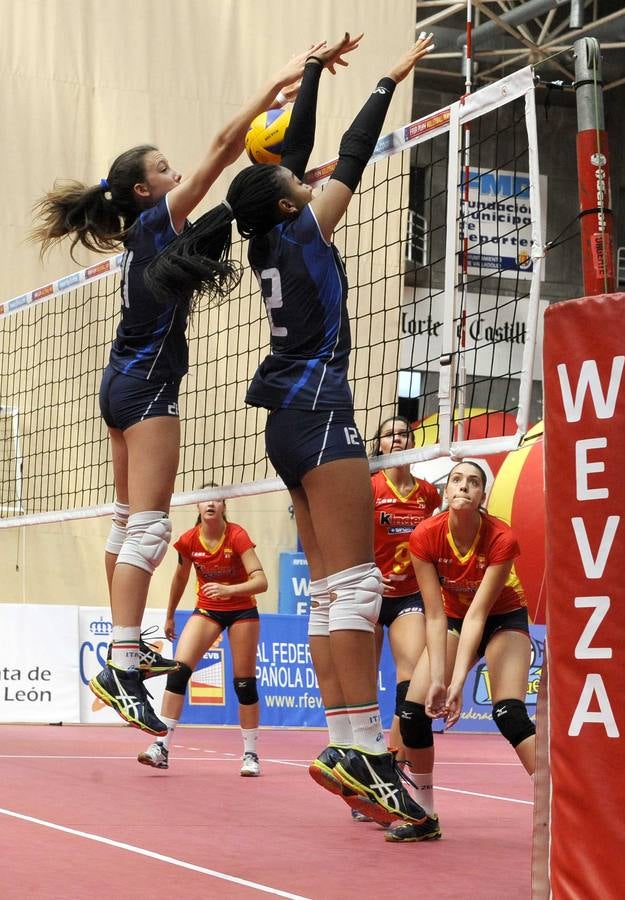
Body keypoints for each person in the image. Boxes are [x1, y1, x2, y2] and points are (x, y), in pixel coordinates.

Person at [145, 33, 437, 826]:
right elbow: (347, 150)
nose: (310, 180)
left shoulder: (278, 234)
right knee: (356, 586)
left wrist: (309, 72)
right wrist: (383, 80)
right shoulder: (303, 230)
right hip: (318, 411)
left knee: (326, 595)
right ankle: (366, 747)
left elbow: (301, 159)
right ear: (283, 201)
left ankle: (346, 742)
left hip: (287, 420)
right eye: (294, 181)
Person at [30, 44, 328, 736]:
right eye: (164, 169)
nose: (177, 172)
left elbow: (232, 210)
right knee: (153, 526)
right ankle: (123, 661)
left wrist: (289, 184)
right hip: (145, 389)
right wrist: (277, 84)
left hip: (119, 385)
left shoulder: (151, 234)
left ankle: (127, 653)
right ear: (144, 190)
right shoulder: (159, 220)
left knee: (125, 520)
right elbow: (226, 147)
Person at [387, 460, 536, 843]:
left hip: (503, 618)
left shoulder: (502, 538)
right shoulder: (425, 535)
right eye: (457, 480)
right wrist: (438, 680)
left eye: (473, 482)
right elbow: (434, 615)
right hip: (451, 618)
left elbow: (479, 615)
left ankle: (565, 805)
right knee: (414, 711)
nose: (464, 487)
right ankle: (424, 815)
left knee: (509, 713)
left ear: (482, 496)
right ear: (447, 492)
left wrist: (457, 685)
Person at [348, 417, 441, 824]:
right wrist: (366, 570)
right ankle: (361, 772)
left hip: (408, 596)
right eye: (389, 434)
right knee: (363, 685)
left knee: (411, 681)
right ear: (380, 445)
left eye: (402, 434)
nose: (397, 439)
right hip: (369, 592)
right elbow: (347, 537)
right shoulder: (367, 487)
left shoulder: (428, 494)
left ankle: (392, 766)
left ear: (411, 442)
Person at [137, 489, 268, 775]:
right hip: (208, 609)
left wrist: (229, 590)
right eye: (205, 498)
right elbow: (180, 577)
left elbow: (261, 581)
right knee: (178, 670)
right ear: (197, 505)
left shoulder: (237, 536)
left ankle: (251, 754)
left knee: (244, 683)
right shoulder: (188, 540)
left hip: (242, 609)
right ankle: (161, 747)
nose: (210, 502)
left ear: (223, 506)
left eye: (217, 498)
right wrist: (169, 615)